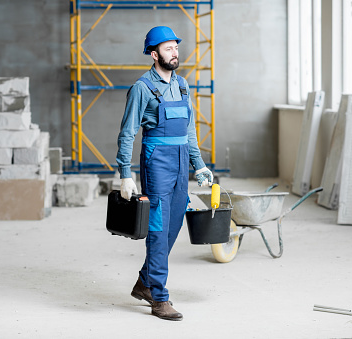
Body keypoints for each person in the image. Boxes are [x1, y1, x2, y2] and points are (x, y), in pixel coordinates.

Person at [116, 26, 214, 321]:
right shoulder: (142, 88)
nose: (175, 53)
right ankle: (159, 297)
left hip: (182, 160)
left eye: (176, 47)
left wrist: (199, 164)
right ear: (154, 53)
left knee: (172, 227)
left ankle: (145, 282)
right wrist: (125, 173)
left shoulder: (183, 85)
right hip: (157, 161)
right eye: (169, 48)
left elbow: (189, 130)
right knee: (158, 229)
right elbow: (127, 133)